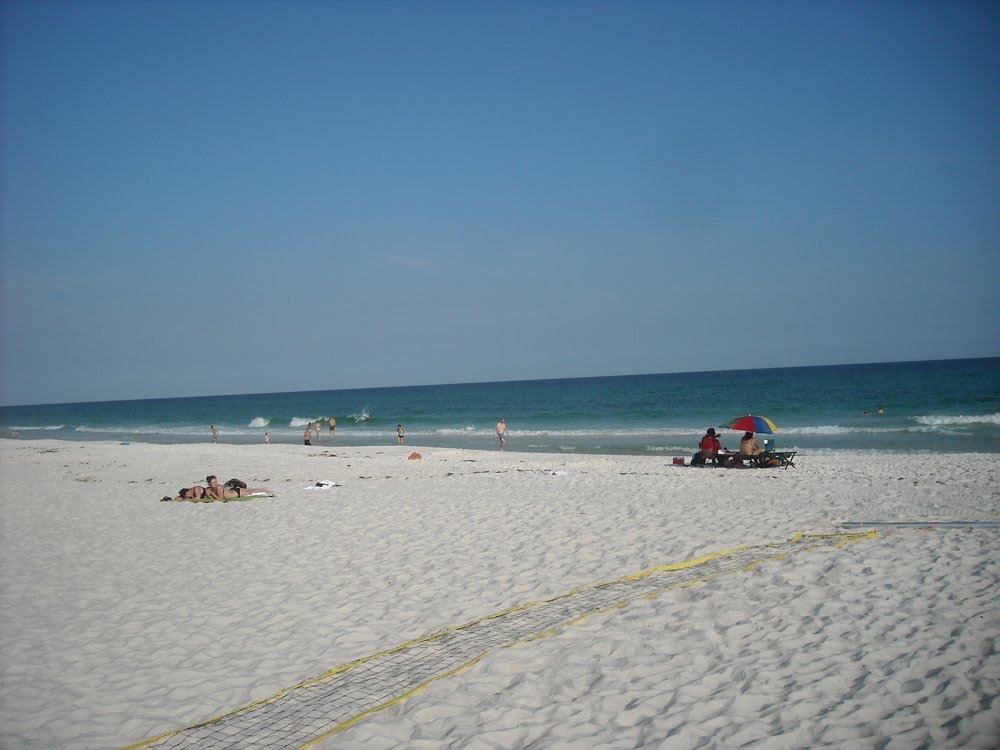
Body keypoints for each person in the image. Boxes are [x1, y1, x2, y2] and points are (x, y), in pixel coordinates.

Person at [204, 475, 271, 500]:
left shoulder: (218, 488)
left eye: (215, 482)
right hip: (231, 490)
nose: (215, 483)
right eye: (213, 482)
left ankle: (267, 490)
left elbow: (220, 499)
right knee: (250, 490)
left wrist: (211, 494)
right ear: (209, 484)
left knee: (252, 491)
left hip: (237, 493)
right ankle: (265, 489)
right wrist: (208, 495)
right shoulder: (209, 489)